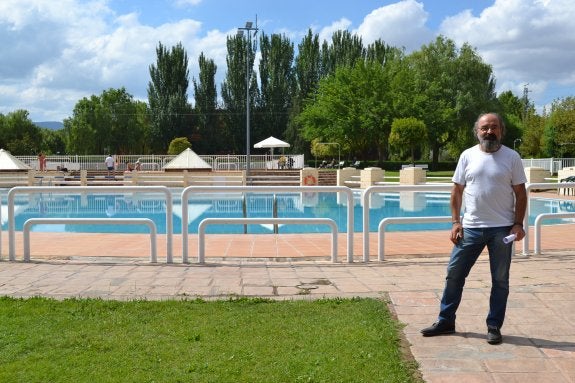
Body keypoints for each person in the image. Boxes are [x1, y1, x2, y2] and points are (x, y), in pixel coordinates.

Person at [420, 113, 527, 345]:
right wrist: (455, 222)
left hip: (502, 230)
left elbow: (520, 193)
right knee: (454, 274)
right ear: (477, 131)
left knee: (500, 280)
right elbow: (457, 191)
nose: (489, 132)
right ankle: (446, 320)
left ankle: (494, 326)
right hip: (470, 228)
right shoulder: (467, 156)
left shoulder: (512, 157)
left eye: (494, 127)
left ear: (502, 131)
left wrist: (518, 224)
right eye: (484, 128)